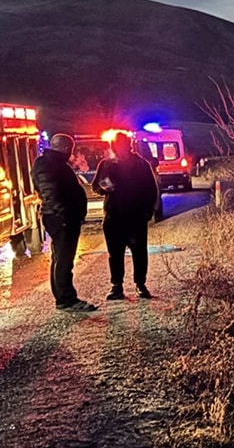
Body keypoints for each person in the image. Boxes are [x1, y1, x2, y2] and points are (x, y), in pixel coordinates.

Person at [31, 134, 97, 312]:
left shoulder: (46, 163)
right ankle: (66, 299)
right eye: (71, 149)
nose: (72, 153)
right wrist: (65, 216)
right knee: (64, 260)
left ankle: (63, 297)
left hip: (58, 217)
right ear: (66, 148)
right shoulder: (51, 165)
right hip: (62, 219)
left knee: (59, 258)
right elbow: (51, 193)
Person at [92, 131, 159, 300]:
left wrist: (147, 212)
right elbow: (95, 186)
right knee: (115, 253)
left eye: (122, 146)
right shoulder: (106, 164)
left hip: (136, 216)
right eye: (117, 146)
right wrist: (103, 188)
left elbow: (151, 190)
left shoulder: (141, 164)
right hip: (113, 217)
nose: (119, 149)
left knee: (139, 252)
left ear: (129, 146)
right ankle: (117, 286)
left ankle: (140, 285)